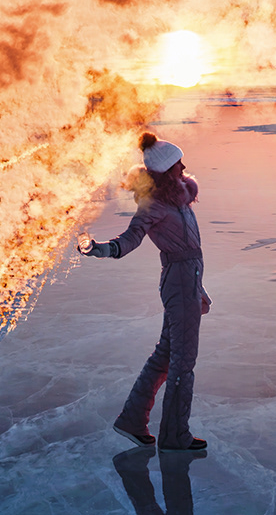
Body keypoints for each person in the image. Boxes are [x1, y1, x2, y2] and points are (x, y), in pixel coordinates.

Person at [78, 131, 211, 452]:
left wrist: (199, 288)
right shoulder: (154, 206)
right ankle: (175, 435)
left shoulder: (179, 197)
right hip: (179, 282)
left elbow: (190, 250)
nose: (184, 168)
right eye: (178, 164)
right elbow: (131, 237)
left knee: (166, 356)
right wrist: (102, 249)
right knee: (183, 363)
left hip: (187, 281)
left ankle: (132, 421)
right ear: (166, 171)